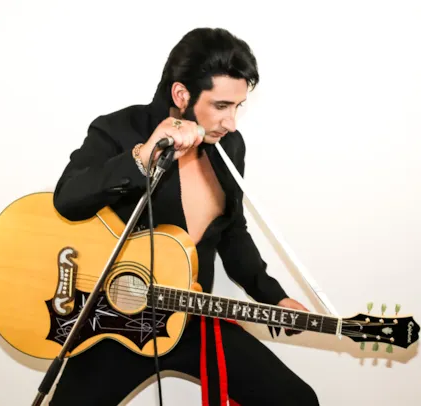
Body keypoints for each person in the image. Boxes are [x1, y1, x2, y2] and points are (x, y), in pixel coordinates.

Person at [49, 27, 320, 406]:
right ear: (181, 95)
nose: (231, 122)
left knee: (296, 401)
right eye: (221, 106)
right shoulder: (118, 129)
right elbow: (67, 199)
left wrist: (273, 296)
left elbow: (231, 231)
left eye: (238, 107)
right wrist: (143, 156)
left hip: (193, 316)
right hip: (115, 321)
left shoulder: (229, 145)